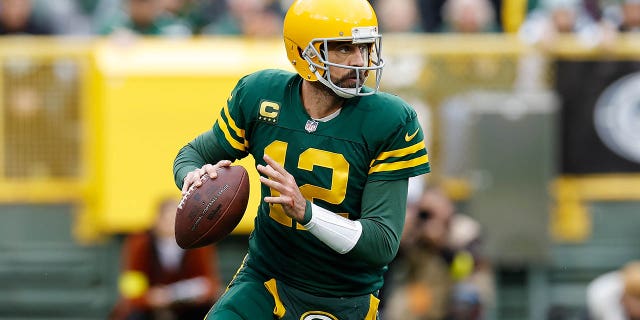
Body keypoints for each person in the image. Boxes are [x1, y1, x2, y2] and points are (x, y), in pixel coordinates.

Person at [172, 0, 431, 318]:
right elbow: (193, 155)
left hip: (343, 295)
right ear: (303, 53)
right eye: (343, 49)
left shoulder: (390, 120)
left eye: (364, 47)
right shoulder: (260, 95)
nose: (360, 61)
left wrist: (306, 212)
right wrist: (192, 177)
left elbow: (382, 243)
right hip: (266, 279)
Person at [110, 197, 222, 320]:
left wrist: (178, 294)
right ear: (156, 220)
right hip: (149, 308)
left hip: (189, 307)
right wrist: (151, 298)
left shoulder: (198, 243)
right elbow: (131, 289)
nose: (171, 225)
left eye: (175, 220)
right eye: (167, 219)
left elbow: (210, 284)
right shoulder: (139, 243)